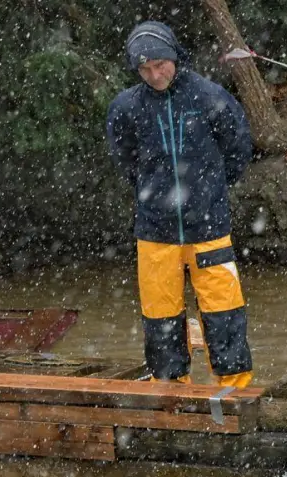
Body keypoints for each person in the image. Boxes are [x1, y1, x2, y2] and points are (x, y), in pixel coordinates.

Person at [106, 21, 255, 388]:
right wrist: (153, 193)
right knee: (160, 314)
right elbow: (125, 159)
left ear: (174, 56)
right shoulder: (126, 107)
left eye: (160, 64)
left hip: (209, 227)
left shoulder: (209, 97)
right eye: (145, 69)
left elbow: (238, 149)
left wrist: (211, 191)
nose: (155, 75)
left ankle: (234, 387)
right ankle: (170, 387)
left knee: (224, 310)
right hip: (154, 231)